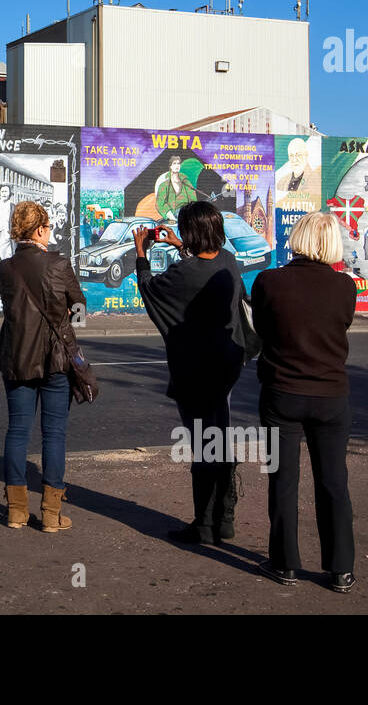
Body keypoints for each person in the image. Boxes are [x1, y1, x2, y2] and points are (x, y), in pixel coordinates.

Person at [250, 211, 357, 592]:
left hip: (283, 394)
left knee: (283, 482)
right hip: (331, 396)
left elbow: (262, 331)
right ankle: (341, 569)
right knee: (333, 483)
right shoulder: (345, 287)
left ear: (297, 238)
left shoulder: (269, 281)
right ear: (332, 244)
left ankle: (285, 564)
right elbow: (339, 326)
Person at [133, 201, 251, 544]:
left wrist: (142, 253)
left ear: (190, 232)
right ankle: (225, 517)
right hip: (227, 365)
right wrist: (181, 247)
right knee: (221, 436)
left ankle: (203, 524)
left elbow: (151, 289)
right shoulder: (228, 263)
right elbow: (205, 264)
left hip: (195, 371)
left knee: (203, 444)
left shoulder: (184, 274)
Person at [0, 200, 85, 533]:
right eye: (47, 227)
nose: (50, 233)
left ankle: (16, 512)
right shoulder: (58, 264)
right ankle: (50, 514)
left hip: (16, 358)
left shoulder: (5, 268)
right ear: (39, 229)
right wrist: (68, 319)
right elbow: (79, 309)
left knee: (17, 431)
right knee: (54, 435)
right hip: (54, 360)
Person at [156, 156, 198, 221]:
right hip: (172, 216)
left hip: (187, 215)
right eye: (174, 163)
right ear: (170, 166)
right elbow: (160, 204)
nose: (177, 166)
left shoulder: (186, 181)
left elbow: (193, 199)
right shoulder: (164, 185)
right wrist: (171, 217)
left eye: (178, 163)